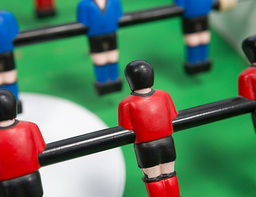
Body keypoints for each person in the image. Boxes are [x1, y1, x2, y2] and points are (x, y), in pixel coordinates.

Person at [118, 60, 180, 197]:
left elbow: (126, 129)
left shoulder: (126, 104)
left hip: (146, 147)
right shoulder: (164, 95)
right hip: (167, 142)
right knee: (169, 173)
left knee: (153, 178)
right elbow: (173, 116)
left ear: (130, 79)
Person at [0, 89, 45, 197]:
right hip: (31, 177)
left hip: (6, 183)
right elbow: (41, 151)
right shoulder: (31, 127)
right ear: (14, 106)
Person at [175, 0, 237, 75]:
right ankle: (192, 62)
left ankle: (204, 60)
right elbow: (180, 3)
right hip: (190, 17)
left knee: (204, 39)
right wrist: (180, 6)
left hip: (203, 14)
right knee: (193, 41)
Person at [77, 0, 123, 95]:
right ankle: (102, 81)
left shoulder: (114, 1)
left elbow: (119, 14)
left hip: (111, 32)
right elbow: (82, 20)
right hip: (94, 35)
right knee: (99, 59)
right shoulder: (83, 4)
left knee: (113, 57)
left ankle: (114, 78)